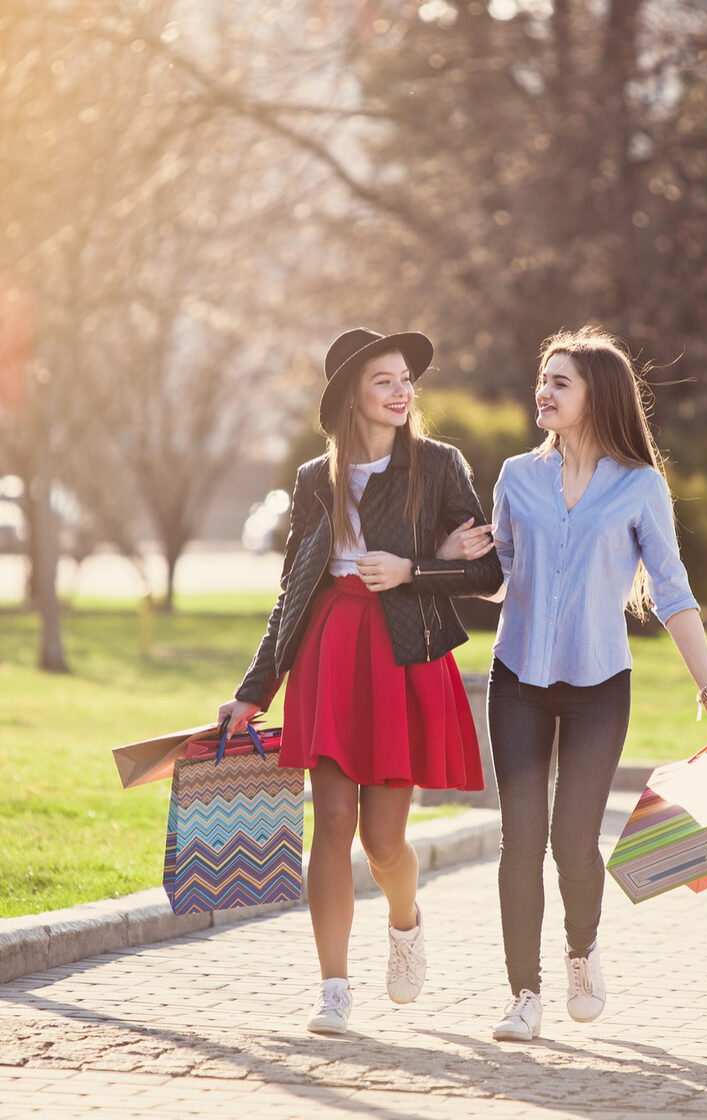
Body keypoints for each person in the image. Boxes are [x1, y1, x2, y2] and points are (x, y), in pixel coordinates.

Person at [440, 327, 707, 1042]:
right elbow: (502, 580)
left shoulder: (640, 486)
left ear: (595, 395)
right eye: (542, 378)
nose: (543, 392)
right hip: (516, 676)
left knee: (573, 844)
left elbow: (672, 592)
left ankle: (581, 952)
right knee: (520, 840)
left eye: (560, 382)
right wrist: (455, 560)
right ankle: (523, 995)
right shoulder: (517, 475)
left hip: (598, 684)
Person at [218, 327, 503, 1035]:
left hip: (402, 656)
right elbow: (292, 591)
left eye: (406, 378)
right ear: (352, 394)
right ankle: (332, 987)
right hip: (330, 652)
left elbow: (487, 573)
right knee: (333, 823)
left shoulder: (439, 466)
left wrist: (416, 568)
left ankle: (405, 923)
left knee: (382, 843)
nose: (402, 390)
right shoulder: (317, 478)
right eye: (384, 379)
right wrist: (254, 690)